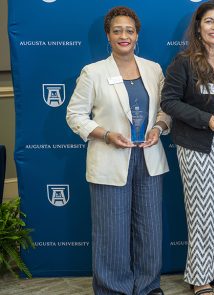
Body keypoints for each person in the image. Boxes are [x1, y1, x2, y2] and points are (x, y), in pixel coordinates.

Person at [66, 6, 170, 295]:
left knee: (150, 229)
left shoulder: (153, 69)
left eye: (130, 30)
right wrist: (107, 134)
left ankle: (149, 286)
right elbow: (74, 115)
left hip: (149, 157)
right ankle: (114, 289)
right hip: (110, 158)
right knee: (112, 232)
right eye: (117, 30)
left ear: (137, 35)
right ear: (108, 36)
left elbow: (166, 110)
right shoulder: (93, 72)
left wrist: (158, 128)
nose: (124, 35)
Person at [160, 1, 214, 295]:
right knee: (202, 212)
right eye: (209, 21)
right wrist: (205, 119)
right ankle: (199, 277)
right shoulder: (183, 62)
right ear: (198, 26)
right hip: (197, 144)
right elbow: (169, 102)